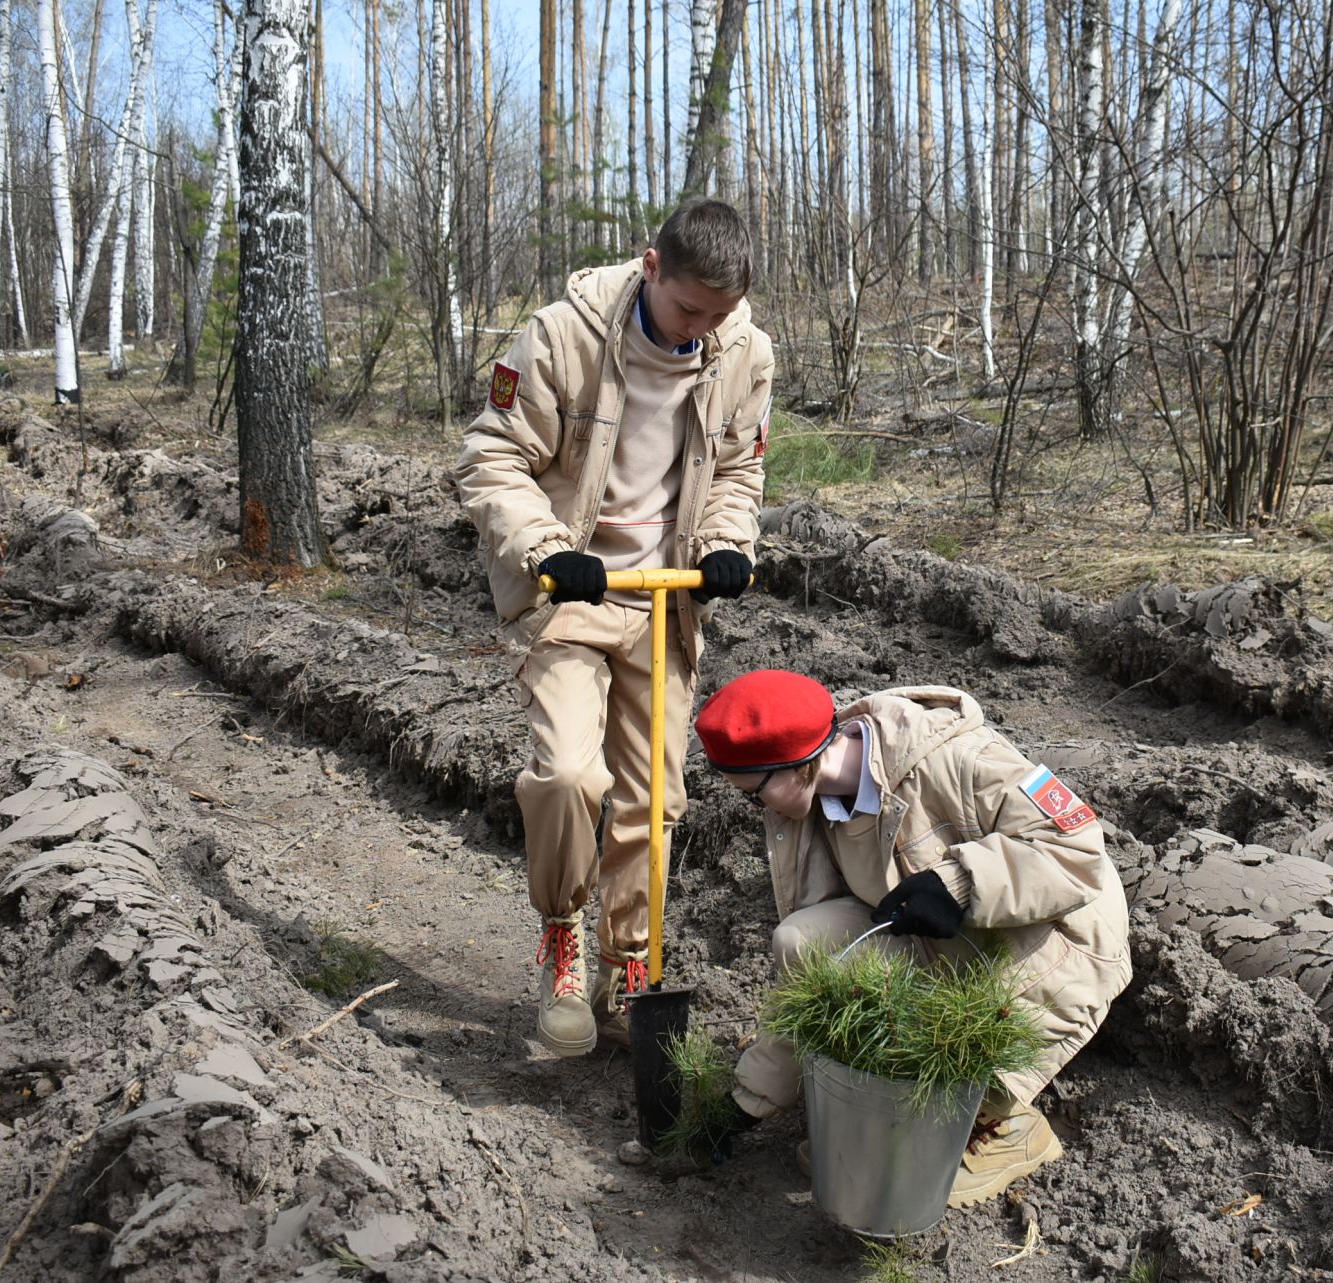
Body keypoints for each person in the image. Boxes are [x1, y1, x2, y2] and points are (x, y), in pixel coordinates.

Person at [456, 199, 773, 1056]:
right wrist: (551, 548)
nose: (702, 330)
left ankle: (628, 962)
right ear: (651, 266)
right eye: (689, 310)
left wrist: (726, 542)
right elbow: (491, 456)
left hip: (667, 596)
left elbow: (741, 466)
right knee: (566, 775)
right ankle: (563, 933)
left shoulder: (742, 350)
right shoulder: (562, 337)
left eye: (721, 314)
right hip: (574, 587)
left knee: (654, 801)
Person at [692, 670, 1132, 1207]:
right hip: (945, 954)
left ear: (796, 762)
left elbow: (1079, 847)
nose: (756, 809)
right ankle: (906, 1095)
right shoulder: (812, 807)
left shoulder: (961, 759)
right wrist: (747, 1104)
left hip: (1048, 951)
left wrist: (960, 882)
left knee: (897, 1176)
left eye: (754, 795)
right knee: (803, 939)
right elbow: (812, 979)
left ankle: (1008, 1125)